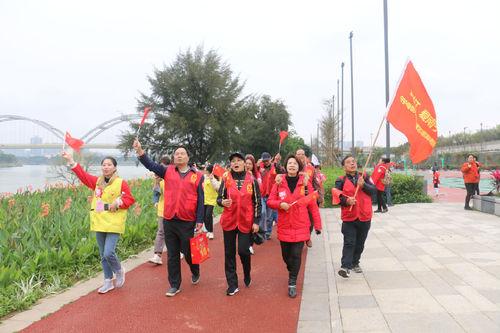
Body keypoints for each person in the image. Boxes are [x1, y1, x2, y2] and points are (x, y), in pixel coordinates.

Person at [133, 139, 204, 297]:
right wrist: (139, 150)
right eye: (176, 154)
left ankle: (195, 269)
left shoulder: (197, 176)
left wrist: (200, 220)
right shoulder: (167, 171)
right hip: (170, 218)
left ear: (187, 157)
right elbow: (150, 164)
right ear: (174, 157)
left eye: (182, 153)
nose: (179, 156)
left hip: (187, 220)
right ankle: (174, 284)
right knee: (172, 254)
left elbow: (201, 199)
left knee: (187, 252)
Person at [62, 151, 135, 294]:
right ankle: (108, 281)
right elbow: (82, 176)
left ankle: (119, 270)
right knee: (103, 255)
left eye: (109, 165)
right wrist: (71, 160)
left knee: (109, 253)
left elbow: (130, 199)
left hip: (114, 222)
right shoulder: (97, 182)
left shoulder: (121, 183)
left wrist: (119, 201)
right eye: (103, 165)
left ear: (115, 167)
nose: (106, 167)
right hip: (100, 220)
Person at [267, 155, 322, 298]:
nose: (292, 165)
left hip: (301, 225)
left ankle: (292, 282)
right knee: (286, 257)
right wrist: (280, 204)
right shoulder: (279, 182)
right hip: (284, 225)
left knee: (296, 254)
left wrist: (318, 225)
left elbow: (312, 205)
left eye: (295, 163)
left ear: (299, 167)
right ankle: (292, 270)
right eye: (289, 163)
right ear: (286, 166)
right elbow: (270, 201)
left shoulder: (305, 183)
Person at [217, 152, 261, 296]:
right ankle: (232, 284)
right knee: (229, 253)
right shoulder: (226, 179)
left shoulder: (252, 180)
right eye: (233, 161)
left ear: (244, 163)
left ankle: (247, 272)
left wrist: (256, 221)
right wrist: (222, 202)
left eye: (239, 160)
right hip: (229, 221)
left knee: (243, 250)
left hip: (245, 221)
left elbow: (257, 202)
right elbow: (219, 199)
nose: (236, 163)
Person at [335, 155, 376, 278]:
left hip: (364, 215)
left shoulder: (365, 177)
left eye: (353, 161)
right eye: (348, 162)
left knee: (360, 243)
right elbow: (337, 196)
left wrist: (364, 186)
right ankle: (345, 266)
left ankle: (355, 262)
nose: (352, 164)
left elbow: (374, 190)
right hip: (349, 217)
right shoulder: (340, 180)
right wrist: (346, 201)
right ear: (344, 166)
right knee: (349, 242)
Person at [295, 148, 323, 247]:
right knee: (299, 219)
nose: (301, 156)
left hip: (310, 197)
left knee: (311, 218)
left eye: (302, 154)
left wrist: (320, 196)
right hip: (297, 198)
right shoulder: (293, 167)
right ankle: (300, 238)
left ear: (305, 156)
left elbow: (316, 183)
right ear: (295, 155)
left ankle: (308, 237)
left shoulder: (310, 168)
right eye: (298, 154)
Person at [149, 156, 170, 265]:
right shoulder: (158, 179)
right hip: (163, 209)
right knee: (161, 231)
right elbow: (156, 193)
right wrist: (156, 201)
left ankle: (180, 249)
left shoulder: (173, 175)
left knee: (175, 232)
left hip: (175, 209)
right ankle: (157, 255)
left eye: (164, 166)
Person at [259, 152, 282, 240]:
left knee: (269, 217)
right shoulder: (259, 168)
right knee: (263, 213)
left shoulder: (275, 167)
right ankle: (261, 231)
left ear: (270, 159)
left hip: (271, 196)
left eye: (267, 160)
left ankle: (267, 233)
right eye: (264, 161)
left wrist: (277, 162)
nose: (265, 162)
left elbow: (281, 171)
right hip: (261, 195)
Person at [245, 154, 262, 254]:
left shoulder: (256, 176)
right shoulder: (240, 175)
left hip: (253, 205)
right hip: (243, 206)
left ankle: (250, 244)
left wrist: (251, 177)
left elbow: (259, 189)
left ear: (253, 165)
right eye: (246, 163)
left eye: (250, 164)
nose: (247, 165)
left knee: (251, 226)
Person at [203, 164, 221, 240]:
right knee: (204, 217)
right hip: (204, 200)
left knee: (208, 215)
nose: (204, 169)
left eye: (205, 168)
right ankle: (207, 229)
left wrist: (212, 179)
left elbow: (217, 187)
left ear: (209, 170)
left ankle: (211, 232)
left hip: (212, 200)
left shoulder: (214, 178)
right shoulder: (204, 177)